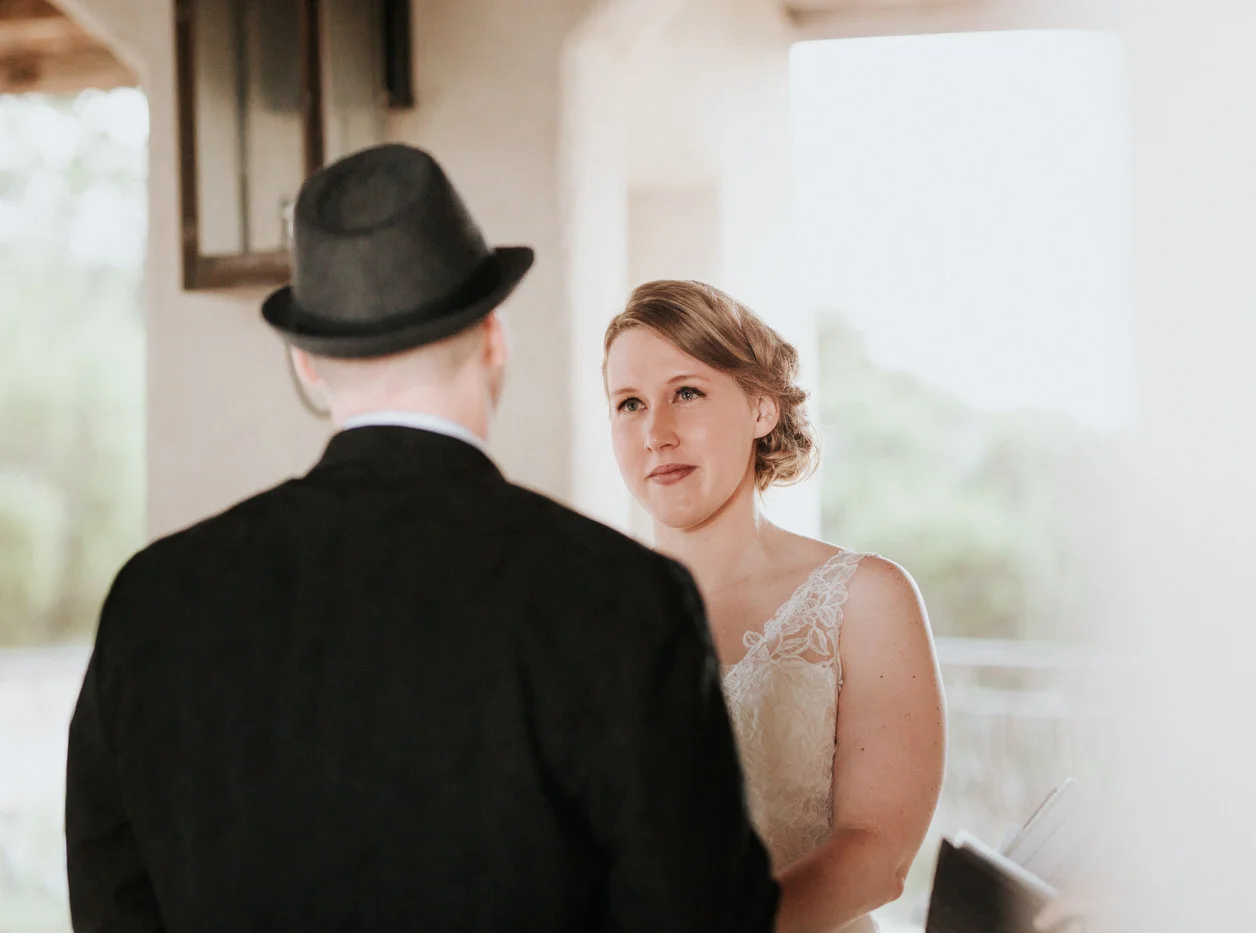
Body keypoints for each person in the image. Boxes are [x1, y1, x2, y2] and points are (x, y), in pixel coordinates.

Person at [65, 145, 779, 933]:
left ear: (307, 360)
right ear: (494, 336)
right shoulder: (621, 595)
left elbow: (111, 902)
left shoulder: (155, 597)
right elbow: (703, 914)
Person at [603, 279, 948, 932]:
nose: (656, 432)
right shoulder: (580, 610)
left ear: (761, 408)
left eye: (686, 392)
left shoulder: (866, 598)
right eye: (629, 403)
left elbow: (880, 849)